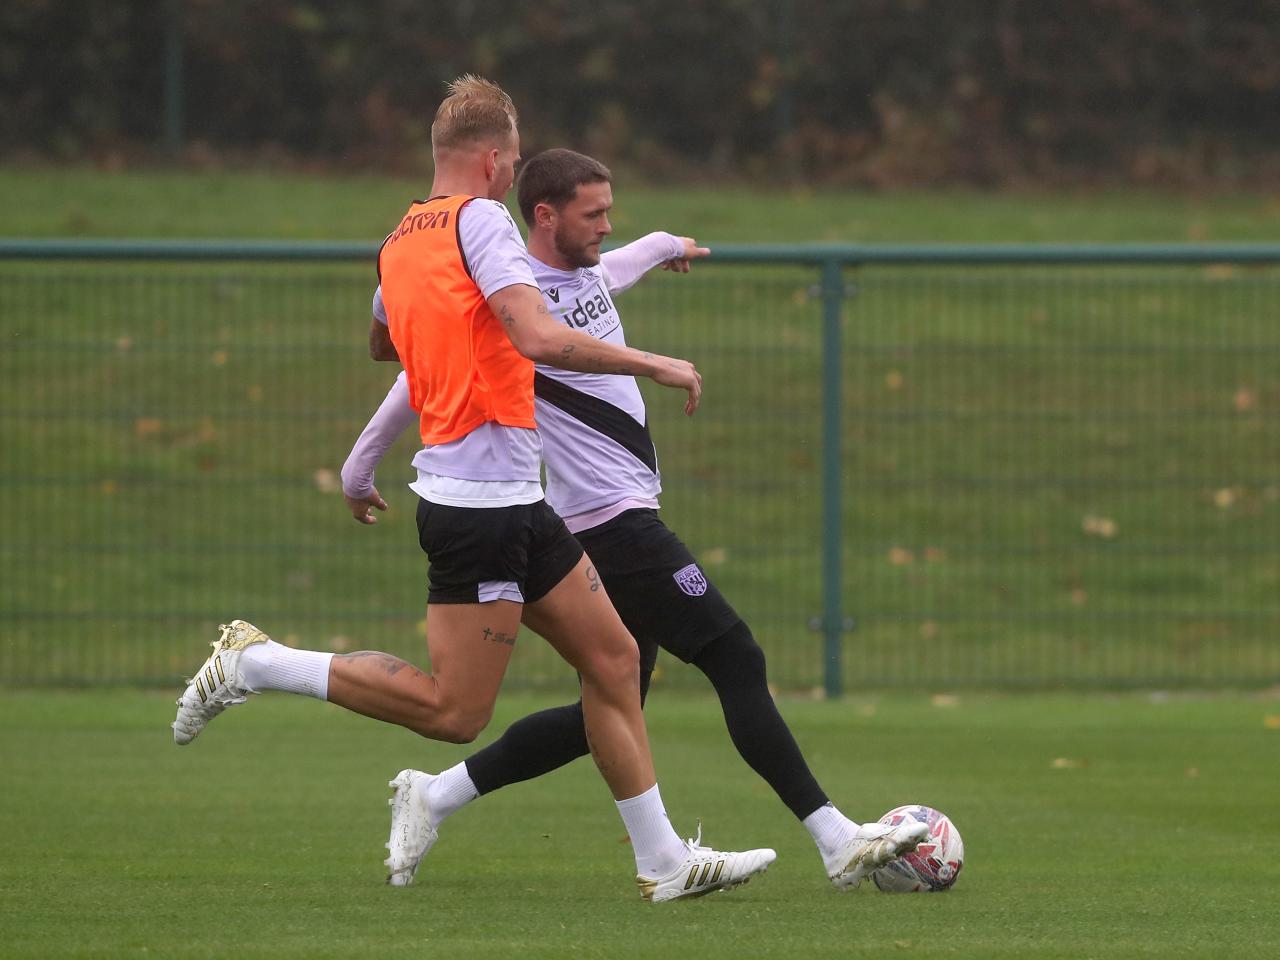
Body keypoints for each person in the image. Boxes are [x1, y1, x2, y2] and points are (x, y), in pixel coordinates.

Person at [171, 76, 776, 904]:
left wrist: (412, 396)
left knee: (615, 659)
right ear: (493, 161)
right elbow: (537, 335)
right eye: (515, 160)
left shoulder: (401, 238)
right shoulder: (482, 220)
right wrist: (653, 361)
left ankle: (664, 861)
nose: (511, 172)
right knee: (454, 714)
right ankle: (259, 664)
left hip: (517, 498)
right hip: (474, 504)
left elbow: (386, 343)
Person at [343, 147, 928, 891]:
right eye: (594, 214)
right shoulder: (519, 304)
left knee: (612, 700)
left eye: (610, 212)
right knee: (735, 655)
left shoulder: (586, 274)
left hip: (614, 517)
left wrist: (668, 247)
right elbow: (409, 386)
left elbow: (622, 264)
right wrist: (358, 470)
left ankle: (437, 793)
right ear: (546, 216)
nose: (607, 227)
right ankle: (836, 838)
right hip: (607, 525)